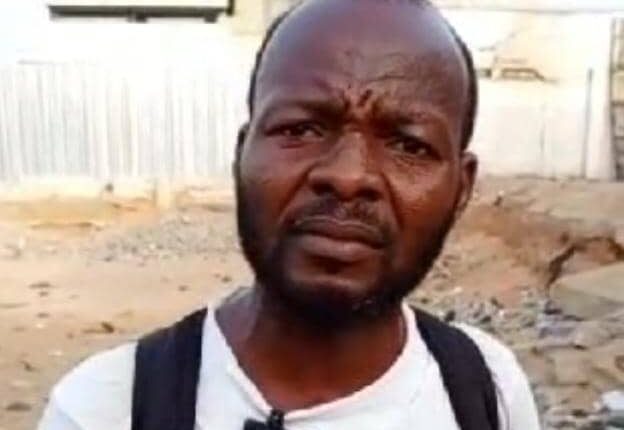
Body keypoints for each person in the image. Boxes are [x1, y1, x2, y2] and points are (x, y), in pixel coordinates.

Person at [38, 0, 541, 429]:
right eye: (300, 129)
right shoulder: (104, 409)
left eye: (408, 145)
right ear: (242, 153)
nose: (348, 176)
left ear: (461, 189)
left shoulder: (487, 393)